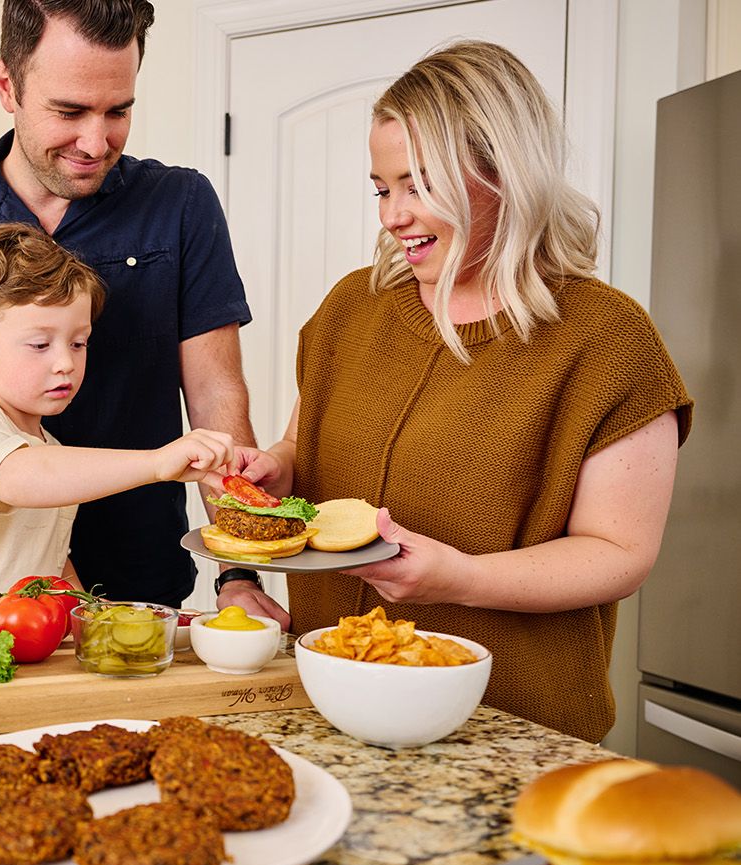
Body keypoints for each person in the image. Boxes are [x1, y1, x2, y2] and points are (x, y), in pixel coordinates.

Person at [226, 40, 692, 743]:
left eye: (418, 185)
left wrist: (461, 579)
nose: (392, 215)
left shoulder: (608, 340)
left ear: (505, 175)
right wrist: (277, 468)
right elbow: (306, 441)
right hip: (331, 705)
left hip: (512, 734)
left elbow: (619, 552)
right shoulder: (352, 309)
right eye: (382, 189)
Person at [0, 0, 255, 609]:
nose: (95, 140)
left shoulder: (181, 205)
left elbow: (217, 394)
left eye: (119, 110)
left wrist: (239, 572)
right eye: (70, 110)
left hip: (143, 580)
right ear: (8, 84)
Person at [0, 222, 235, 619]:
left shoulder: (48, 446)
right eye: (40, 345)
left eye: (78, 343)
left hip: (13, 654)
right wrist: (157, 463)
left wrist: (104, 616)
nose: (65, 363)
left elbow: (50, 562)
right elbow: (19, 475)